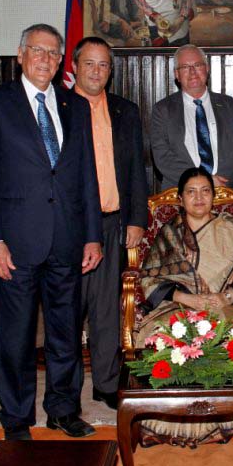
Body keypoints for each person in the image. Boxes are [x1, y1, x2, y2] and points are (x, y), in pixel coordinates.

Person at [0, 23, 103, 439]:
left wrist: (92, 235)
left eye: (53, 53)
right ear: (20, 54)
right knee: (15, 335)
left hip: (67, 239)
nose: (45, 59)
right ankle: (16, 417)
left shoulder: (75, 106)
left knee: (65, 332)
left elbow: (86, 177)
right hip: (15, 243)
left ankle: (64, 409)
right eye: (37, 51)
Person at [136, 167, 233, 446]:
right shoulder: (169, 234)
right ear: (180, 198)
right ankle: (166, 423)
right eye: (191, 192)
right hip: (177, 304)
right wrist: (187, 299)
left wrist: (227, 297)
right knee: (163, 334)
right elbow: (150, 278)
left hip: (219, 304)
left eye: (205, 191)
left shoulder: (228, 228)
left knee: (222, 335)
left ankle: (219, 421)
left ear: (213, 197)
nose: (199, 198)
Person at [72, 37, 148, 410]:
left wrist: (136, 219)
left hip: (112, 222)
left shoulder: (124, 110)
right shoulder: (58, 107)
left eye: (103, 65)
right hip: (67, 228)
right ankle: (65, 390)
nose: (96, 72)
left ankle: (104, 383)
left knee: (105, 310)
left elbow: (137, 168)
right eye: (89, 64)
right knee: (67, 310)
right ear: (74, 66)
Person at [150, 43, 233, 192]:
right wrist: (202, 183)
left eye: (197, 65)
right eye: (185, 67)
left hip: (228, 191)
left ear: (207, 68)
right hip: (181, 195)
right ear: (177, 74)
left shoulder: (230, 105)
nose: (192, 72)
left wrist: (219, 181)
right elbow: (162, 156)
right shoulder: (162, 110)